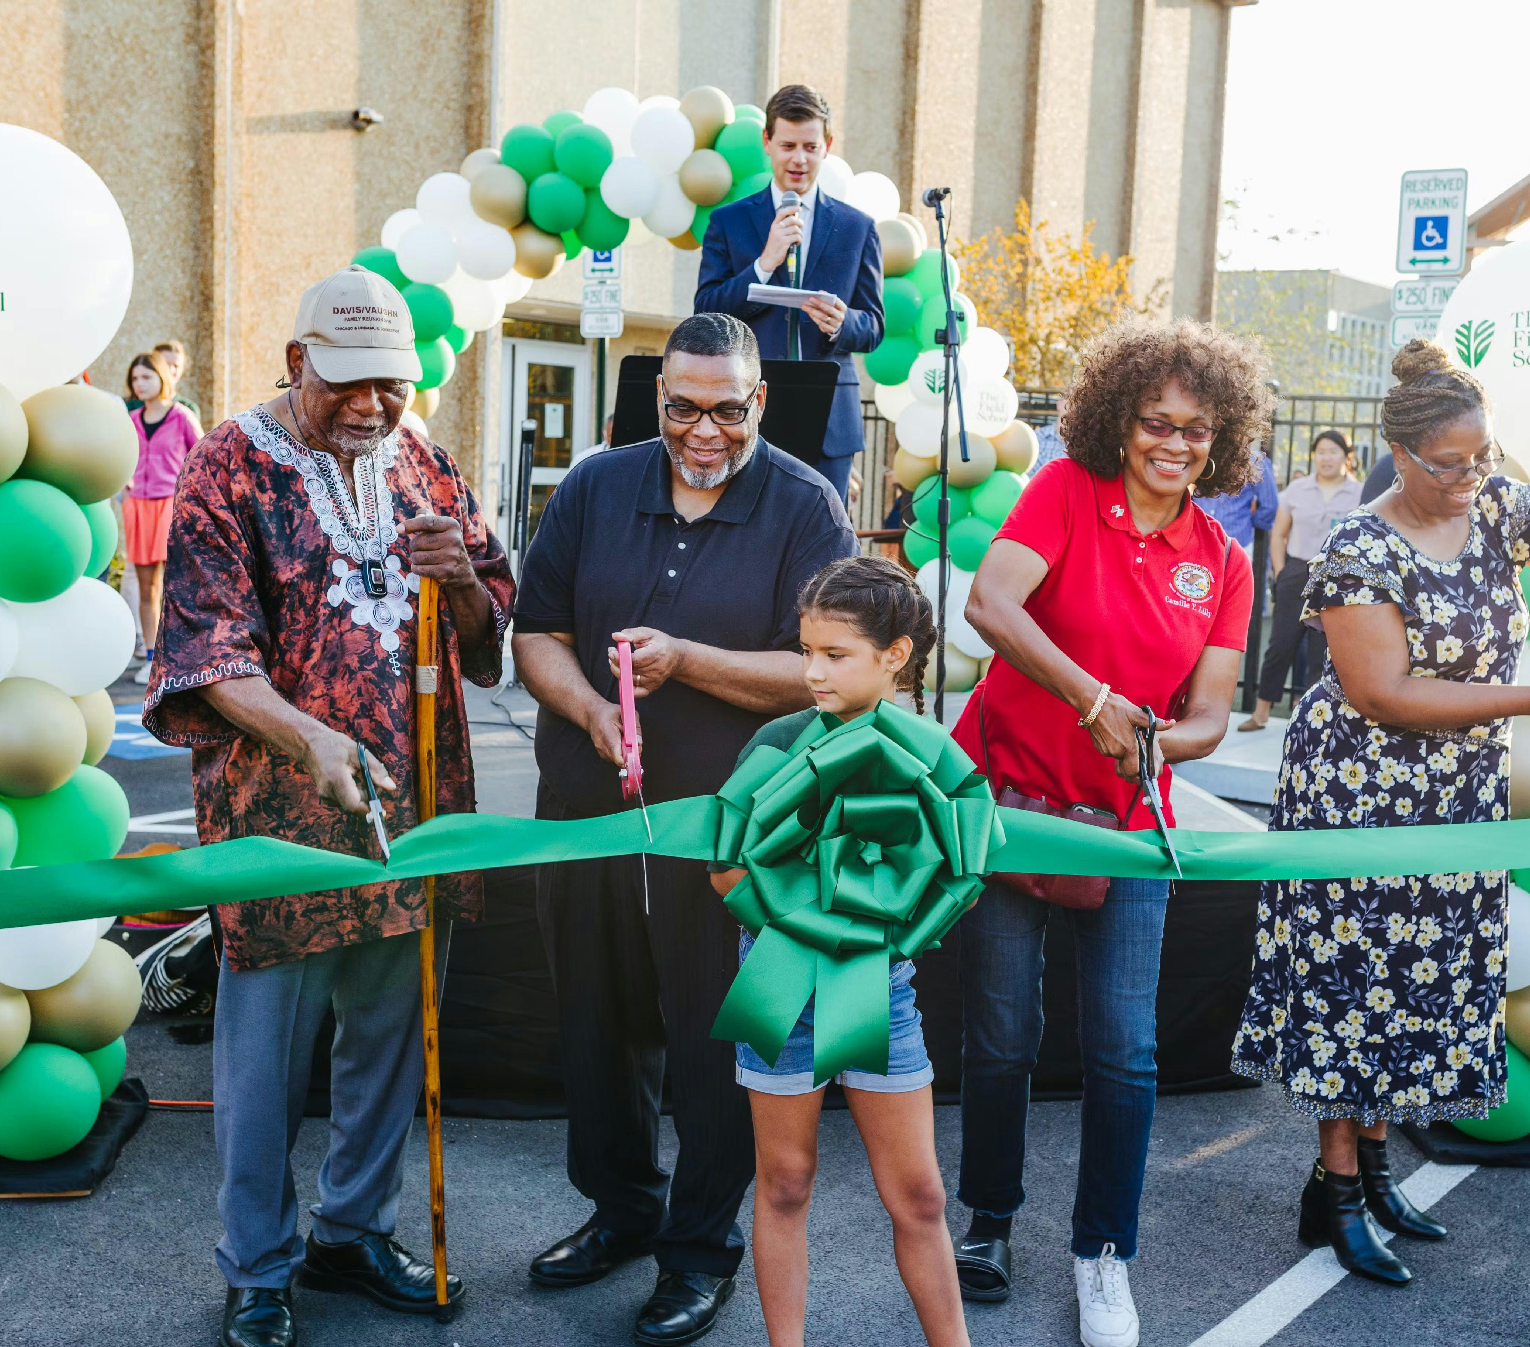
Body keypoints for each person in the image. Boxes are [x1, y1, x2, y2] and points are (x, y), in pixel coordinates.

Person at [1230, 339, 1530, 1289]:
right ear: (1401, 455)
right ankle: (1339, 1192)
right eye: (1451, 464)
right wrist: (1526, 701)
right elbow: (1385, 691)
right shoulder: (1361, 545)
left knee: (1422, 980)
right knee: (1352, 988)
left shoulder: (1498, 504)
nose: (1472, 476)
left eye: (1484, 457)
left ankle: (1372, 1170)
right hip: (1356, 795)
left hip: (1457, 790)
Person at [143, 265, 515, 1347]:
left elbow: (492, 643)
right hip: (277, 822)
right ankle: (256, 1266)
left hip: (413, 813)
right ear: (296, 359)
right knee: (264, 1063)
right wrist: (311, 739)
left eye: (390, 384)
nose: (370, 404)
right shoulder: (228, 465)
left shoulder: (426, 464)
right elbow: (205, 656)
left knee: (392, 1037)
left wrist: (471, 587)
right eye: (346, 381)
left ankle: (351, 1232)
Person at [511, 312, 854, 1346]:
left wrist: (686, 660)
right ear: (656, 400)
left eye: (723, 410)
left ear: (758, 400)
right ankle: (621, 1210)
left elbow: (829, 670)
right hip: (587, 809)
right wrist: (587, 709)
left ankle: (699, 1251)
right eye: (679, 409)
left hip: (728, 834)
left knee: (717, 1041)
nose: (701, 431)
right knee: (595, 1020)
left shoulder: (805, 504)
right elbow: (538, 634)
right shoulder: (593, 485)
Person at [953, 317, 1268, 1347]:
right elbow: (990, 606)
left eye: (1194, 429)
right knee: (1000, 1037)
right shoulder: (1059, 494)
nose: (1173, 445)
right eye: (1154, 423)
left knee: (1123, 1053)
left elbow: (1213, 714)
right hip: (1013, 805)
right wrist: (1095, 699)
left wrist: (1157, 744)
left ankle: (1103, 1256)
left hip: (1130, 823)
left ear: (1219, 439)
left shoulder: (1221, 560)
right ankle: (988, 1220)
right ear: (1117, 420)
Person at [708, 555, 969, 1347]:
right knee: (784, 1182)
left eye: (835, 654)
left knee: (920, 1194)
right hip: (780, 986)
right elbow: (723, 868)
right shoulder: (777, 738)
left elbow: (953, 876)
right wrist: (808, 921)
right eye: (807, 650)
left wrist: (878, 926)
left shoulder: (931, 752)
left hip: (878, 991)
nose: (812, 670)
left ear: (895, 655)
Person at [694, 84, 885, 501]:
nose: (799, 158)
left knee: (826, 542)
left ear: (827, 146)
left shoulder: (858, 227)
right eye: (788, 145)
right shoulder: (730, 222)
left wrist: (843, 322)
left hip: (830, 416)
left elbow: (873, 326)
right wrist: (765, 262)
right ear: (767, 142)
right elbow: (706, 310)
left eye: (810, 146)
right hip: (747, 406)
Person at [1239, 430, 1362, 731]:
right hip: (1297, 571)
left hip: (1337, 578)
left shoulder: (1360, 493)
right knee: (1281, 645)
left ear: (1347, 456)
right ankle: (1261, 712)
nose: (1325, 457)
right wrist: (1281, 574)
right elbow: (1279, 534)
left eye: (1333, 451)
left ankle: (1312, 719)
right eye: (1320, 451)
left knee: (1323, 652)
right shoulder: (1297, 489)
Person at [124, 350, 204, 684]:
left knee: (179, 586)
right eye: (134, 378)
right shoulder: (130, 421)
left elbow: (203, 458)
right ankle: (154, 659)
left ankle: (187, 657)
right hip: (138, 507)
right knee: (147, 588)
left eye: (146, 377)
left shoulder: (182, 416)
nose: (139, 384)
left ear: (162, 377)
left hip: (173, 507)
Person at [1195, 444, 1279, 549]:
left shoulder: (1256, 461)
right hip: (1199, 542)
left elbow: (1269, 506)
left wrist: (1249, 523)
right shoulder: (1200, 452)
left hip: (1236, 544)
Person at [125, 338, 203, 424]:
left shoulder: (188, 409)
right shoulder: (130, 406)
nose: (171, 370)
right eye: (165, 363)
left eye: (176, 366)